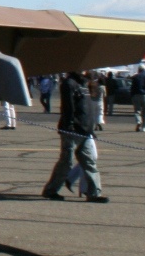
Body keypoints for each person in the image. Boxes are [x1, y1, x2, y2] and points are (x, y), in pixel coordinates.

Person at [42, 71, 107, 202]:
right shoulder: (69, 84)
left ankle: (94, 194)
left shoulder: (85, 84)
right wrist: (69, 124)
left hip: (85, 130)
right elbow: (67, 107)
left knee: (89, 162)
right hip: (72, 130)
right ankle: (51, 190)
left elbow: (88, 108)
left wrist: (90, 128)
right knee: (66, 162)